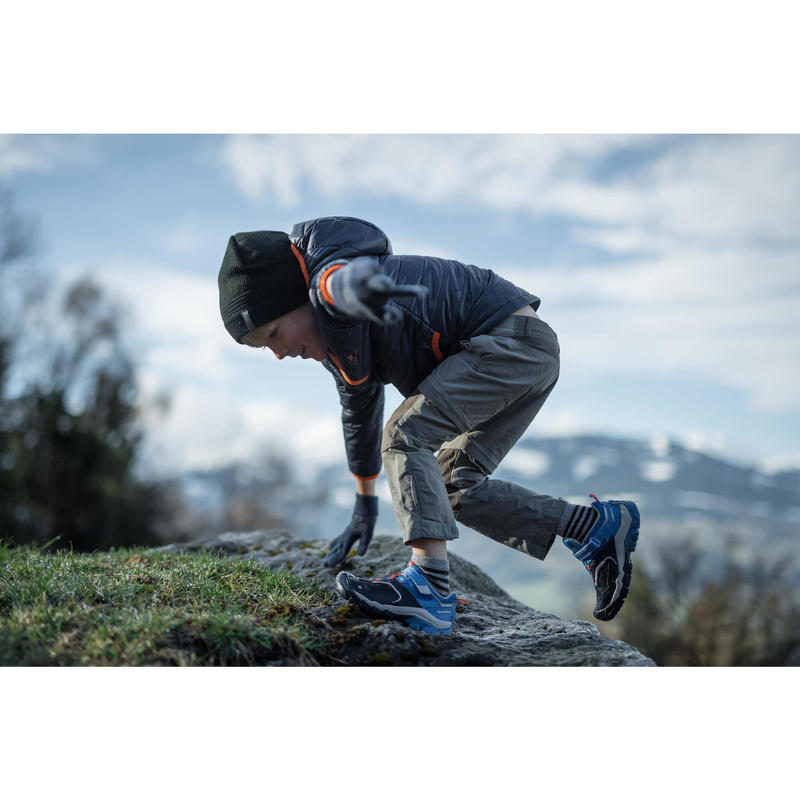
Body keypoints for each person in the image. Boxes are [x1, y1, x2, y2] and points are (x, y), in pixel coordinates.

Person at [218, 216, 640, 635]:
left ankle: (428, 588)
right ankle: (593, 529)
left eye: (274, 334)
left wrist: (342, 287)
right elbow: (358, 412)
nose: (278, 354)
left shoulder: (333, 282)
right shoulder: (342, 345)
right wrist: (365, 503)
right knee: (451, 484)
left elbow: (335, 280)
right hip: (522, 349)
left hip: (509, 341)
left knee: (404, 435)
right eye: (265, 349)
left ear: (299, 296)